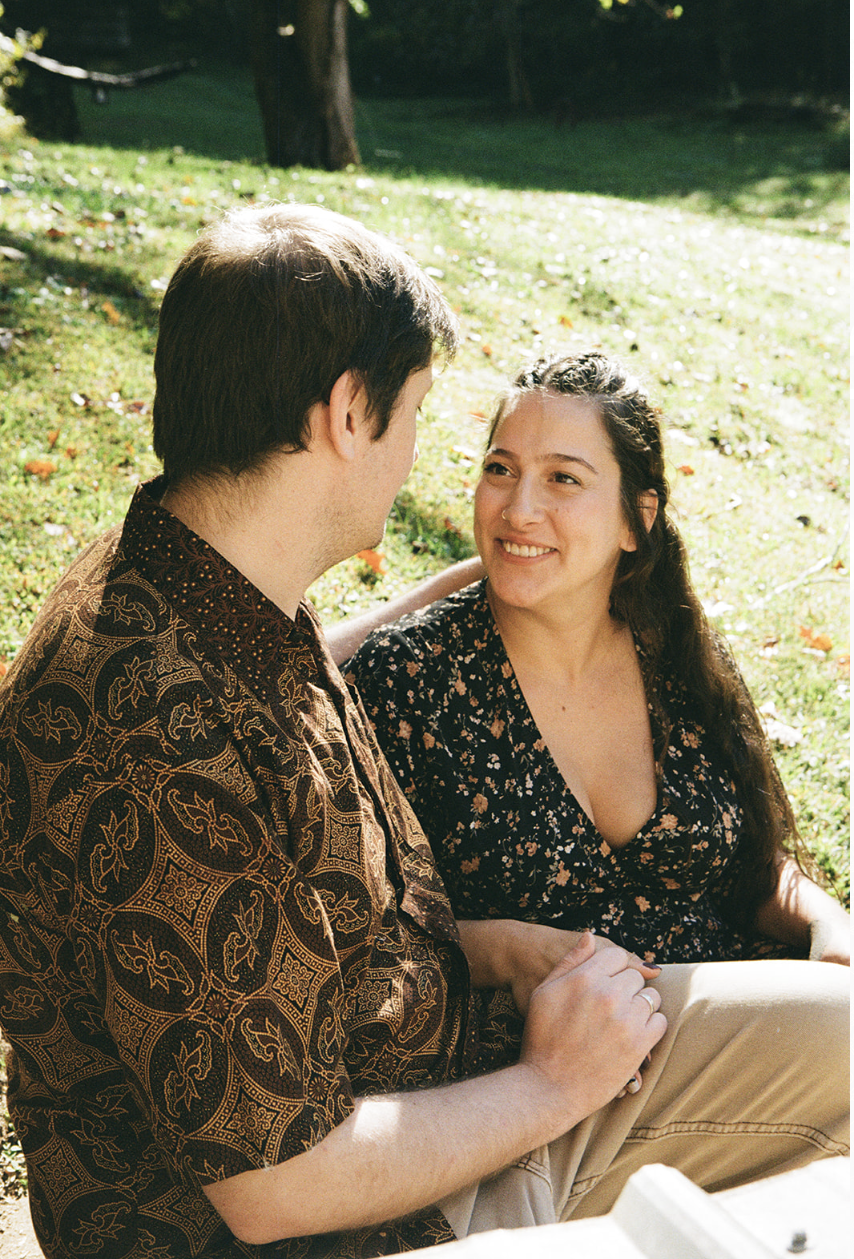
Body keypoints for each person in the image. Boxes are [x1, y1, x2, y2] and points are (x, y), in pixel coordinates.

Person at [0, 209, 846, 1259]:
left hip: (456, 1065)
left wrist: (492, 954)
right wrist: (551, 1083)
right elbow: (277, 1187)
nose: (414, 457)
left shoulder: (207, 581)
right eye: (412, 414)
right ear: (349, 412)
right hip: (384, 1211)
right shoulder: (157, 739)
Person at [343, 351, 850, 967]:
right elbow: (363, 931)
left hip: (742, 994)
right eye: (500, 469)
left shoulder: (671, 649)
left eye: (563, 478)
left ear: (636, 521)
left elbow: (750, 871)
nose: (518, 508)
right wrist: (514, 951)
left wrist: (830, 926)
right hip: (562, 1022)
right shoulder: (406, 682)